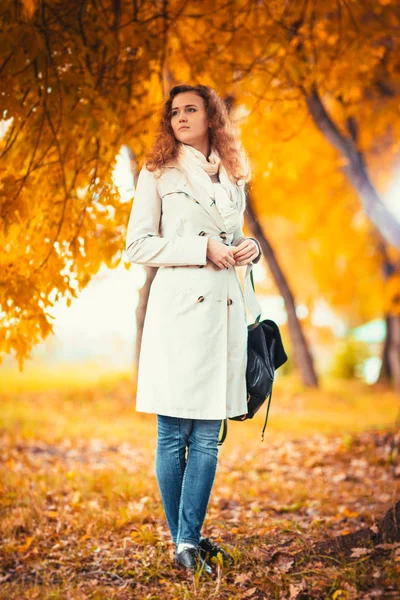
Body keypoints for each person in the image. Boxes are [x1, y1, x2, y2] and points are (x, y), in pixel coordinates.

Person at [125, 84, 262, 575]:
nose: (180, 116)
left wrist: (250, 250)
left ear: (211, 118)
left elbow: (236, 237)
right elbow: (137, 245)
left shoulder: (233, 175)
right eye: (174, 111)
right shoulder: (158, 172)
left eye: (190, 109)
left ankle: (188, 541)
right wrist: (199, 249)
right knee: (171, 433)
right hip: (178, 316)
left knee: (207, 437)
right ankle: (186, 542)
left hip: (223, 315)